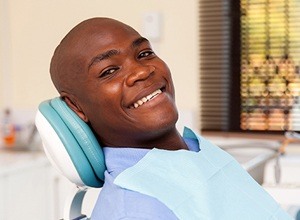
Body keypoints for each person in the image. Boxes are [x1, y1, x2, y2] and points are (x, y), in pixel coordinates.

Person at [49, 17, 292, 219]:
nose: (142, 70)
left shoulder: (196, 150)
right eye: (109, 71)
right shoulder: (135, 207)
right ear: (76, 106)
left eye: (144, 53)